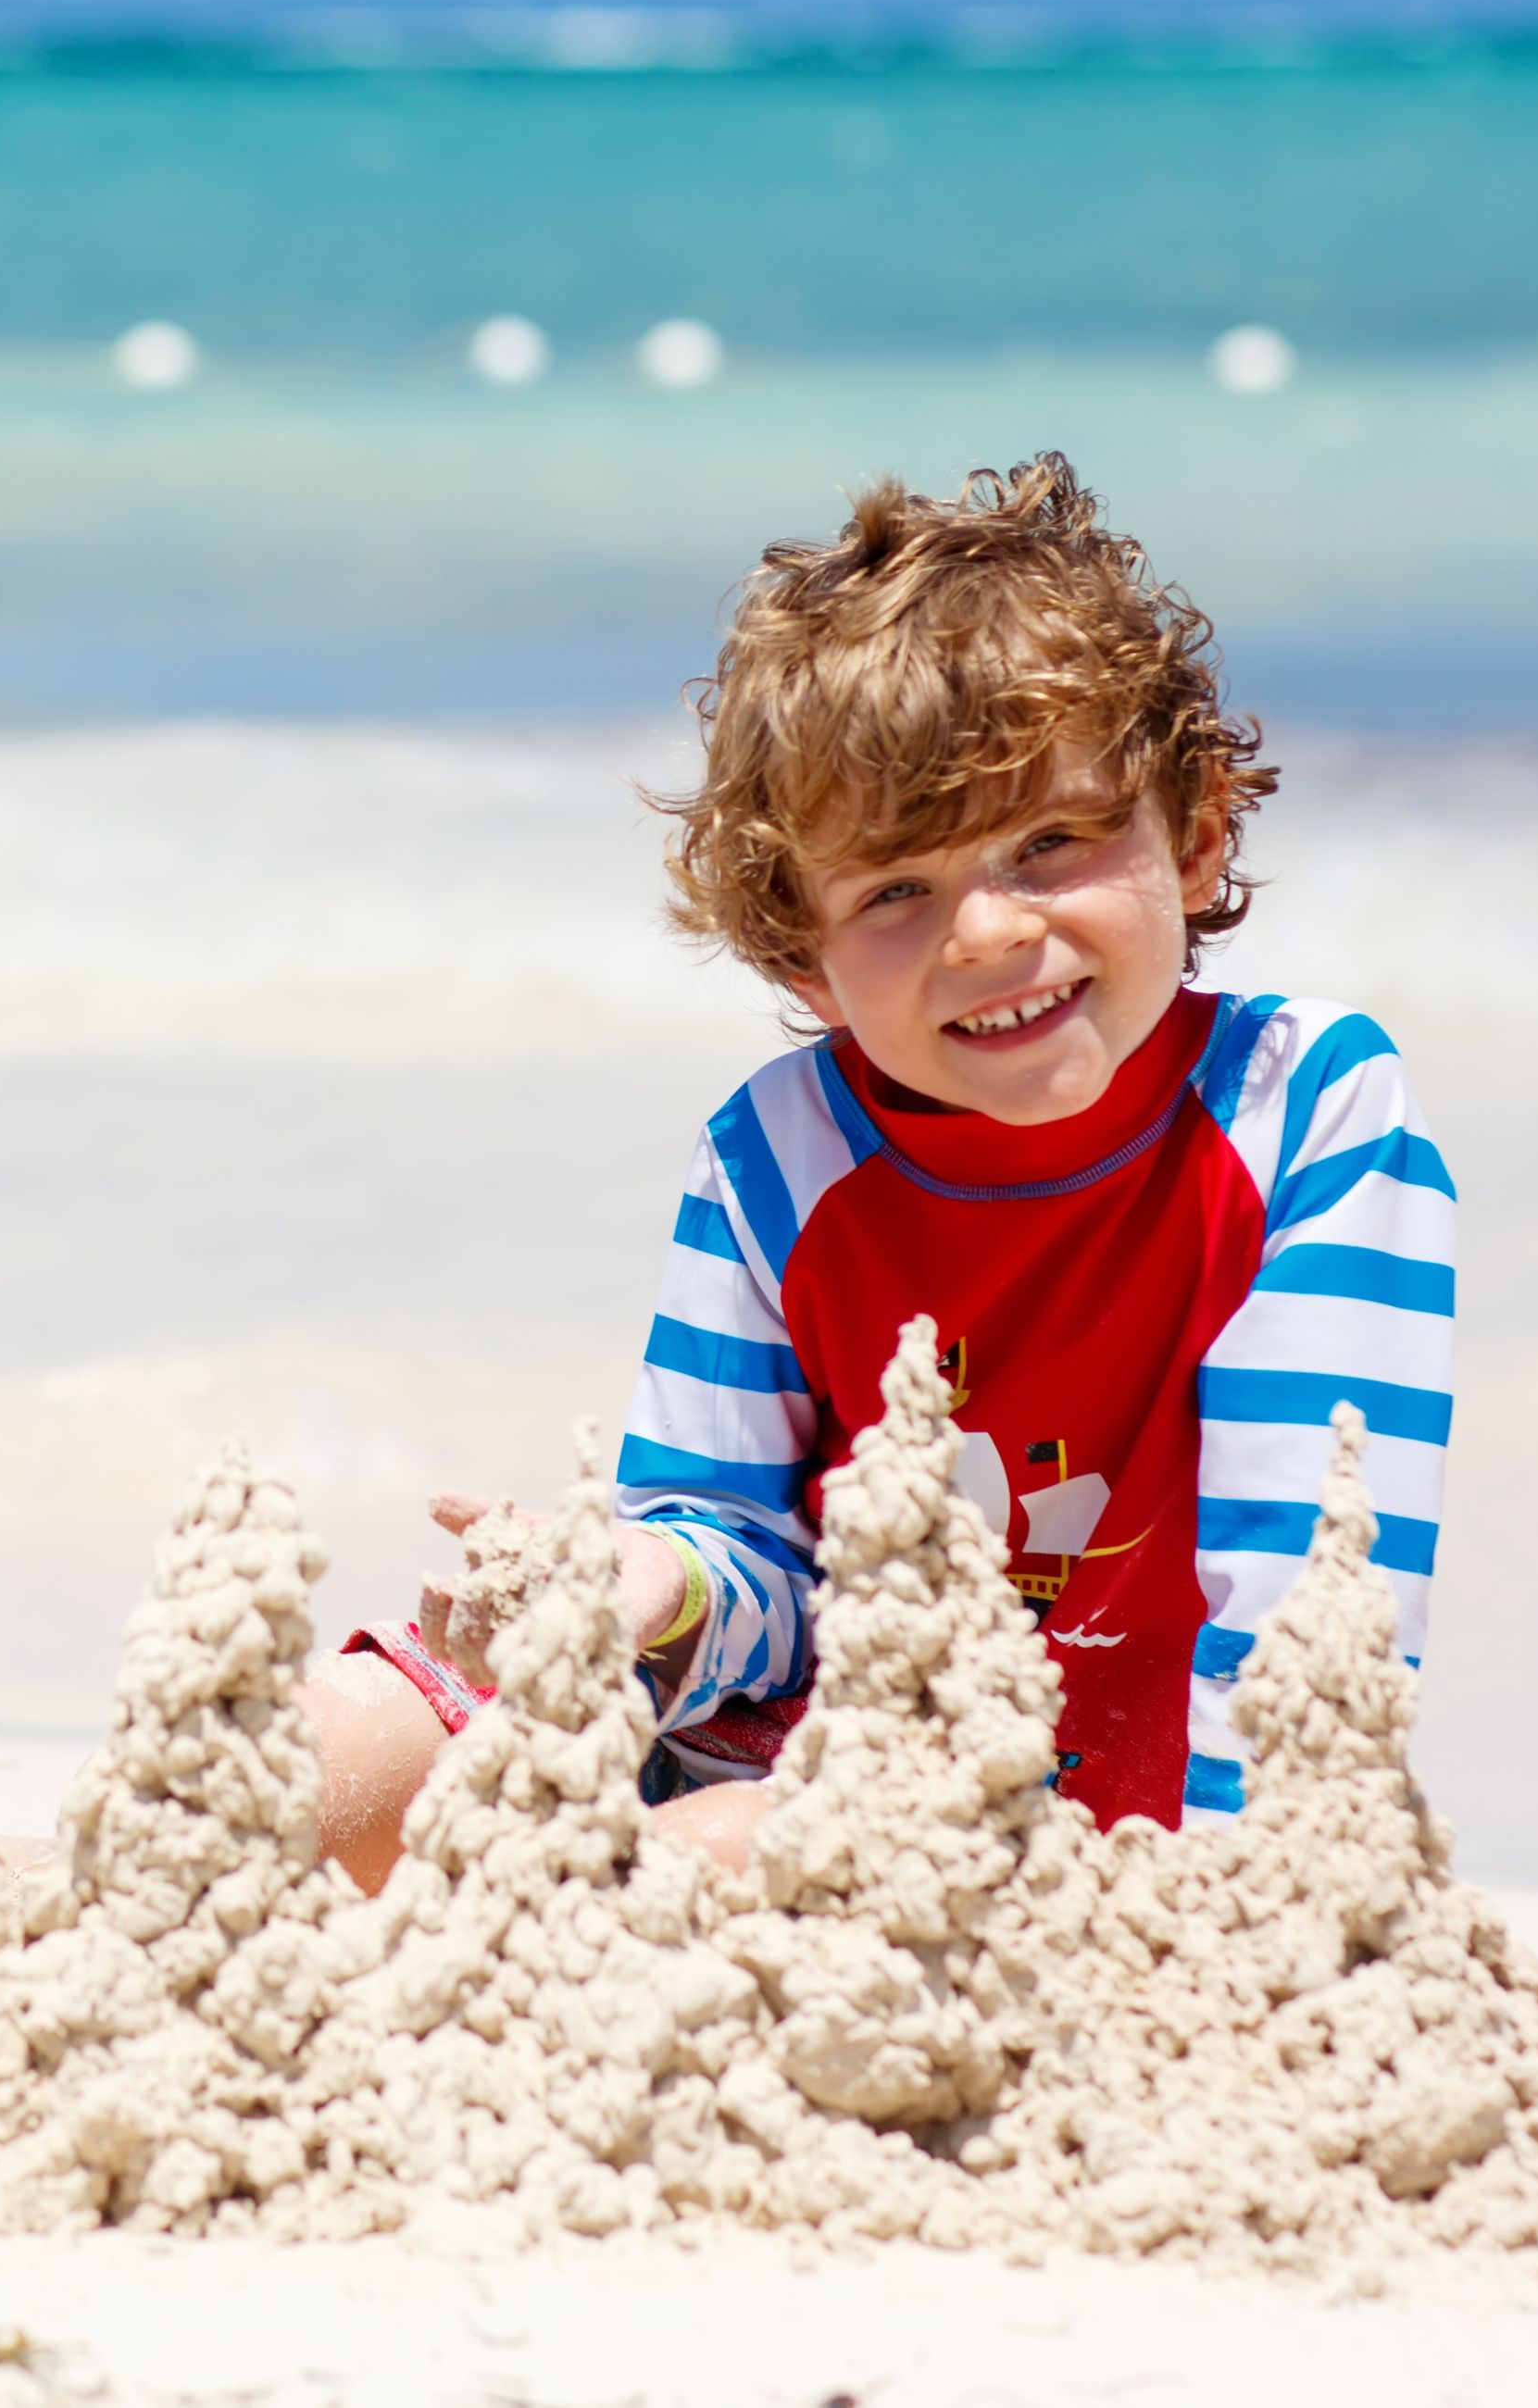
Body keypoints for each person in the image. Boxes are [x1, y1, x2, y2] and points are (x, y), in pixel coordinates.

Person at [303, 454, 1455, 1886]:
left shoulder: (1304, 1115)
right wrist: (641, 1585)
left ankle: (565, 1924)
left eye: (1048, 842)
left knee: (725, 1844)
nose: (982, 932)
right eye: (896, 890)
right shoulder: (778, 1152)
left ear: (1196, 826)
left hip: (1109, 1832)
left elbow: (1313, 1617)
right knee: (346, 1738)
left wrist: (1237, 1912)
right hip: (776, 1737)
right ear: (806, 955)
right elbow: (742, 1555)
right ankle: (89, 1908)